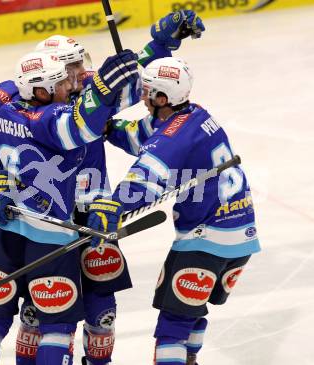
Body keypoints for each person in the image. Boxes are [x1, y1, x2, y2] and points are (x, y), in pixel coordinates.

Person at [14, 12, 206, 365]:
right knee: (43, 307)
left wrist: (161, 45)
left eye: (78, 66)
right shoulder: (27, 107)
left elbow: (133, 83)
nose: (78, 75)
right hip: (50, 217)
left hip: (97, 209)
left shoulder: (87, 89)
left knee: (102, 305)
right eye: (69, 69)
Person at [0, 49, 139, 365]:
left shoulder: (2, 109)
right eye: (63, 77)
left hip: (3, 227)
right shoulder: (53, 118)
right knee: (53, 321)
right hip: (54, 230)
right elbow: (80, 127)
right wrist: (102, 90)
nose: (73, 82)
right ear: (41, 89)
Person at [88, 56, 261, 365]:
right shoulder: (194, 115)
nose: (142, 97)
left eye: (147, 91)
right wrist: (106, 127)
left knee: (172, 328)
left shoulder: (172, 138)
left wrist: (111, 206)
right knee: (192, 312)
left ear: (162, 97)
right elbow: (144, 136)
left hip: (206, 240)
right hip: (241, 236)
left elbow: (145, 178)